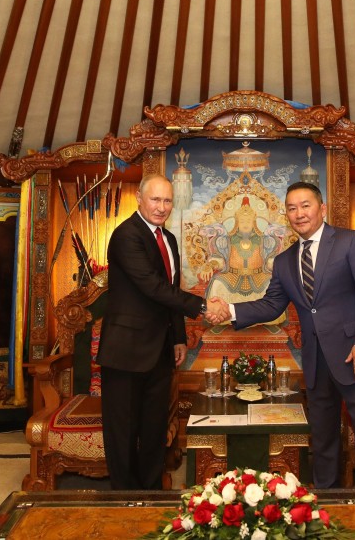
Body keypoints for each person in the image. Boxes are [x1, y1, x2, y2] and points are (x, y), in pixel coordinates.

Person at [206, 181, 355, 488]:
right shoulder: (284, 261)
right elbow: (271, 305)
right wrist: (230, 309)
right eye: (292, 208)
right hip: (316, 361)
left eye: (305, 206)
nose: (299, 213)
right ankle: (326, 500)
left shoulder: (351, 241)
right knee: (323, 437)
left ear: (322, 208)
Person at [98, 174, 219, 489]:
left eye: (167, 201)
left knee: (153, 429)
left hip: (161, 349)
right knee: (123, 433)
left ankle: (151, 493)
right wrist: (203, 306)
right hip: (126, 351)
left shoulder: (169, 239)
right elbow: (152, 286)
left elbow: (169, 291)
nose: (162, 207)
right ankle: (124, 498)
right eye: (155, 199)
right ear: (140, 198)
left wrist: (178, 337)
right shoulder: (127, 235)